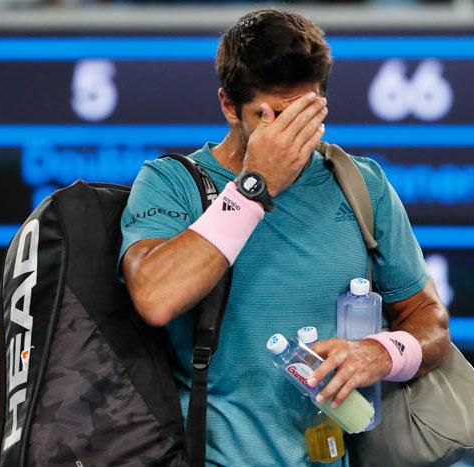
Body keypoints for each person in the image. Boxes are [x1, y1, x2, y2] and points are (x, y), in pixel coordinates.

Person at [119, 8, 450, 466]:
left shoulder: (362, 185)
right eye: (269, 115)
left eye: (304, 112)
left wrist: (379, 353)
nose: (290, 133)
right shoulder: (169, 182)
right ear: (228, 106)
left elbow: (429, 321)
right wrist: (255, 187)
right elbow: (156, 298)